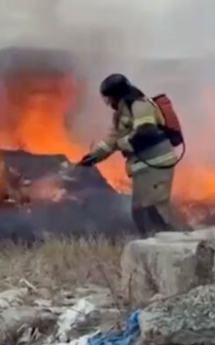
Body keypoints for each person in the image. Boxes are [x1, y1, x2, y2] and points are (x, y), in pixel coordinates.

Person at [76, 74, 179, 236]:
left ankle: (172, 243)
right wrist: (92, 157)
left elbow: (146, 132)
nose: (108, 102)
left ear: (117, 94)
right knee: (139, 212)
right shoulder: (122, 113)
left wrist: (122, 143)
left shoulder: (140, 106)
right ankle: (149, 243)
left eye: (109, 98)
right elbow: (111, 140)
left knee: (155, 212)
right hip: (144, 169)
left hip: (157, 166)